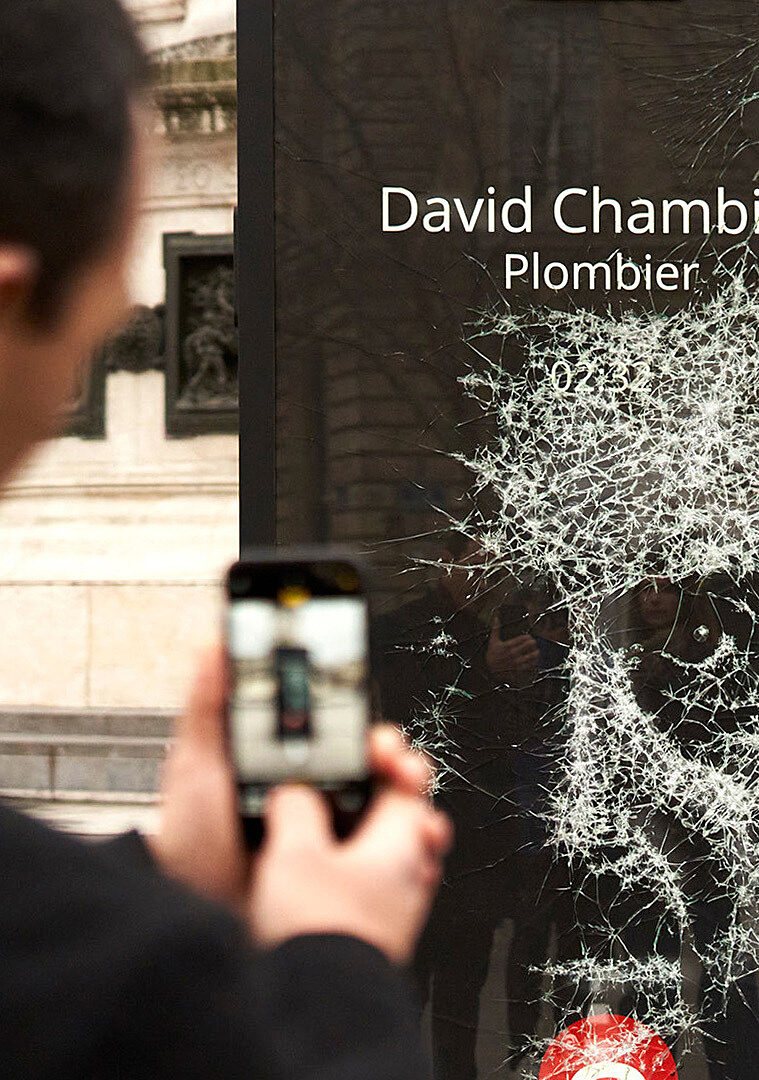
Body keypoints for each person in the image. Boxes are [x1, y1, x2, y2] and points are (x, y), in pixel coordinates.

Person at [0, 2, 451, 1078]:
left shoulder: (96, 946)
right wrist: (337, 949)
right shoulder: (141, 987)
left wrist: (170, 867)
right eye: (105, 318)